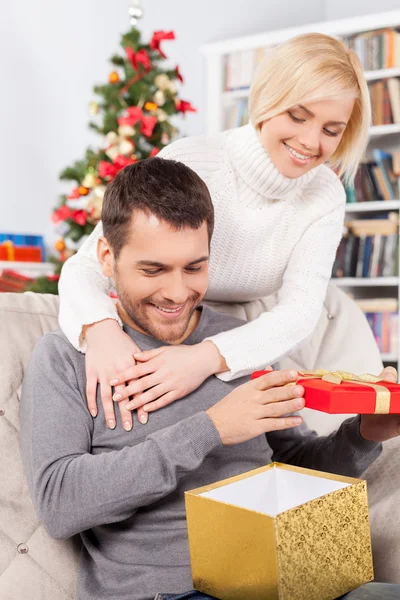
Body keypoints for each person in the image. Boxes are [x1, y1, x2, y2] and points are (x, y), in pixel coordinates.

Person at [20, 159, 400, 600]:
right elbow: (61, 503)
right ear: (107, 256)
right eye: (153, 270)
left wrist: (365, 434)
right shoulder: (67, 357)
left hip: (288, 578)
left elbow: (295, 468)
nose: (178, 293)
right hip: (172, 593)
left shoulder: (239, 341)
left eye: (194, 267)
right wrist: (212, 427)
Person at [56, 33, 372, 431]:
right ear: (267, 100)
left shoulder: (325, 193)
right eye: (297, 115)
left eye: (332, 129)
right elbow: (85, 265)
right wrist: (100, 331)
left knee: (338, 431)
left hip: (258, 329)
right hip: (178, 316)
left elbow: (298, 313)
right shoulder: (196, 160)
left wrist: (206, 357)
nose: (310, 141)